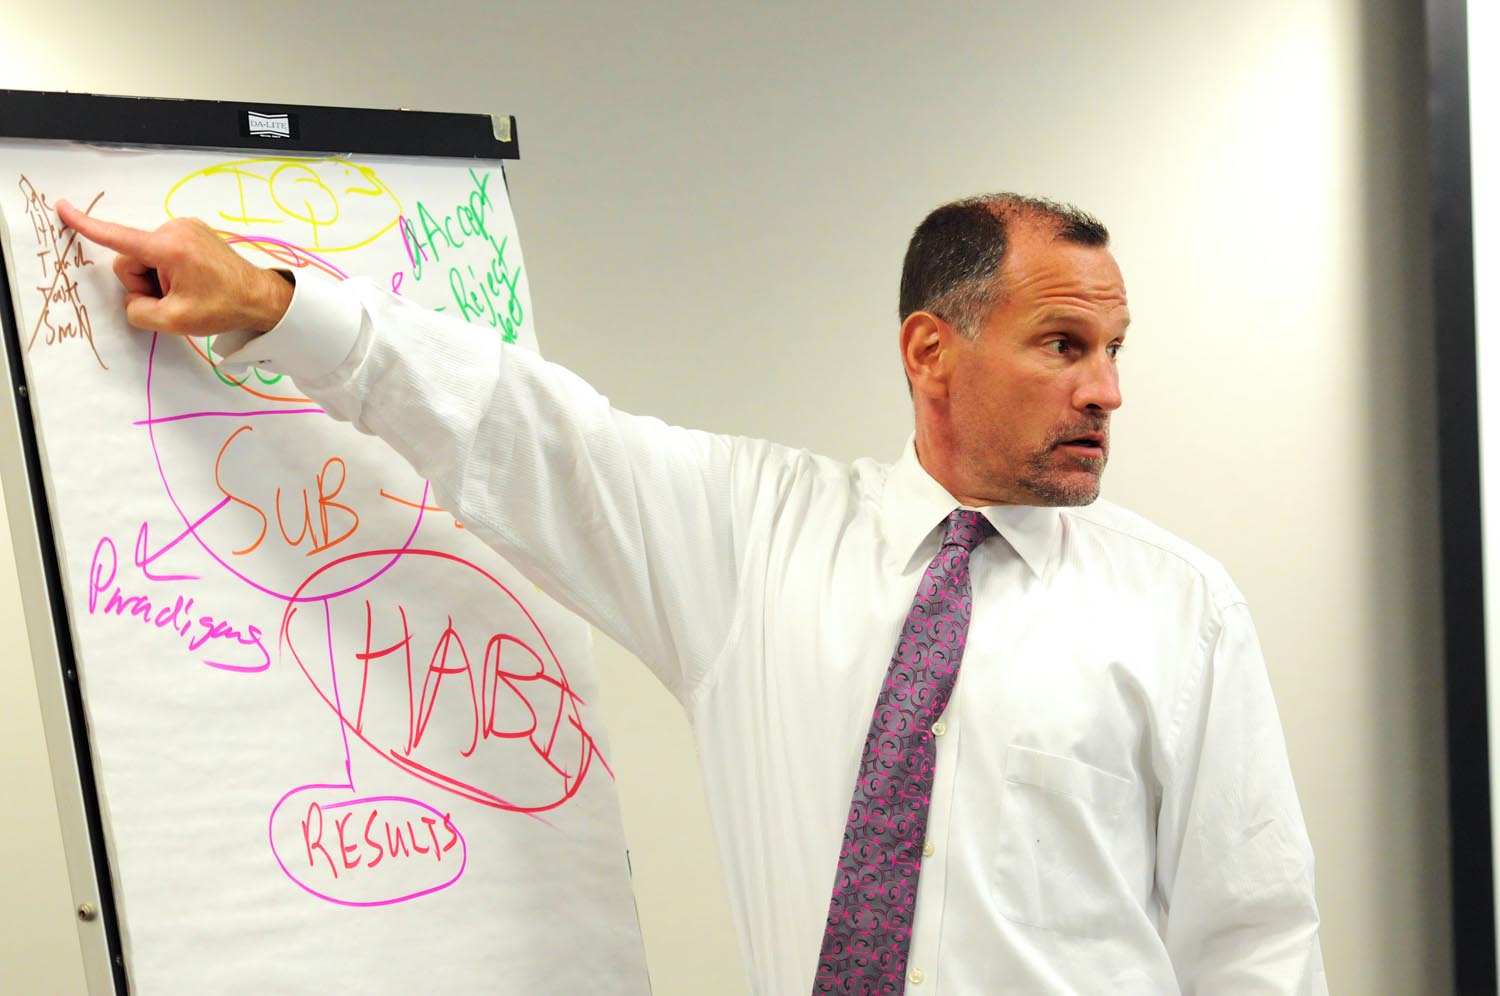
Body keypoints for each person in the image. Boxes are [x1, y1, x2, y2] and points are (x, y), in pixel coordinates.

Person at [58, 193, 1326, 995]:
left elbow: (1255, 944)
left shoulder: (1180, 609)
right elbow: (529, 430)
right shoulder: (756, 545)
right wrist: (279, 308)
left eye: (1113, 353)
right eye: (1063, 346)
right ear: (931, 351)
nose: (1105, 390)